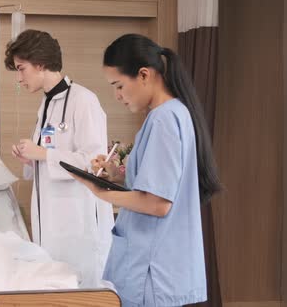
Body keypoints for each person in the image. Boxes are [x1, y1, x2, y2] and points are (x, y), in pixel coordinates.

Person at [71, 34, 222, 306]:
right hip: (158, 264)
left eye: (118, 85)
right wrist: (116, 176)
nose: (116, 96)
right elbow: (160, 185)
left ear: (143, 75)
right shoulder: (173, 114)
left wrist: (100, 192)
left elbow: (157, 203)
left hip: (152, 270)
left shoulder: (164, 119)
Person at [5, 29, 113, 288]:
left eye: (22, 69)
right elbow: (50, 156)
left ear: (40, 63)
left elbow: (94, 161)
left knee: (88, 289)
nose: (19, 78)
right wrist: (31, 160)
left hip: (80, 218)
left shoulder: (84, 101)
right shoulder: (46, 104)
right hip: (51, 219)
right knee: (58, 288)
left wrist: (42, 154)